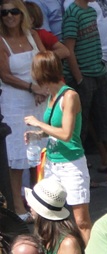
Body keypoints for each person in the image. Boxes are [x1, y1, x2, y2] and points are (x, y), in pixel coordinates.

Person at [24, 49, 90, 240]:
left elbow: (67, 134)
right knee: (47, 213)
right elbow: (54, 129)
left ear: (41, 72)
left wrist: (38, 123)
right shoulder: (52, 97)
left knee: (81, 220)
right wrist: (38, 134)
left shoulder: (69, 96)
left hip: (71, 163)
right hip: (53, 163)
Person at [60, 0, 107, 170]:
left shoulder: (91, 12)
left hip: (98, 73)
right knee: (81, 125)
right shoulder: (73, 13)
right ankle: (77, 169)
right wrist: (79, 78)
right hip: (83, 76)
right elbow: (68, 49)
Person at [0, 0, 43, 219]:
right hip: (14, 101)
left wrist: (43, 86)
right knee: (17, 156)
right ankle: (17, 205)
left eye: (14, 11)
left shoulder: (33, 36)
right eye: (4, 12)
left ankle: (39, 201)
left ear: (22, 13)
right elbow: (5, 75)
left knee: (40, 153)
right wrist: (30, 87)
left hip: (38, 98)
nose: (9, 16)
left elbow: (45, 61)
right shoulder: (1, 41)